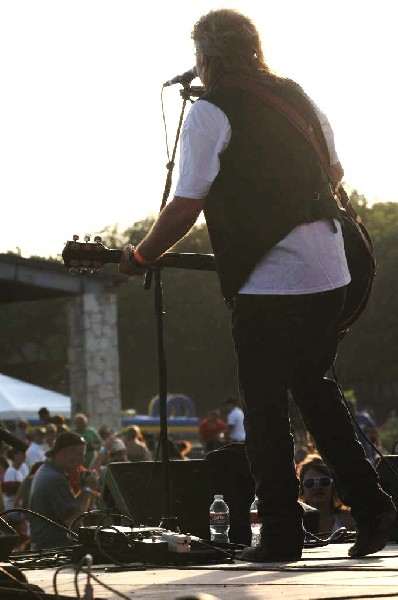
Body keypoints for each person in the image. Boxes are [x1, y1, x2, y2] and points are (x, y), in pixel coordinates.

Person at [119, 8, 396, 561]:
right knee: (316, 388)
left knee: (265, 404)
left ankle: (281, 533)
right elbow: (334, 173)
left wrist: (142, 254)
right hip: (330, 271)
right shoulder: (296, 95)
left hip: (271, 280)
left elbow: (186, 204)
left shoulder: (209, 110)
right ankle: (374, 511)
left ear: (205, 56)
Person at [29, 431, 99, 550]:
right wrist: (87, 489)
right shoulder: (54, 478)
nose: (82, 460)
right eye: (79, 455)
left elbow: (71, 510)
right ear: (65, 453)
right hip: (52, 552)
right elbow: (74, 521)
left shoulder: (47, 470)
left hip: (47, 548)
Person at [297, 454, 356, 534]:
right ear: (302, 487)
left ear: (333, 485)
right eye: (310, 483)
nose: (317, 487)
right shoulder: (295, 521)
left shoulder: (350, 519)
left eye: (324, 481)